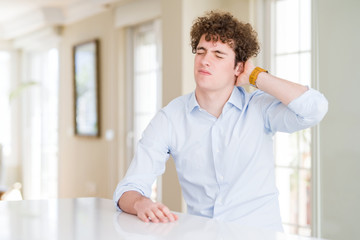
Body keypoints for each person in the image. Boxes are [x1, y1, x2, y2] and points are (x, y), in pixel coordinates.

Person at [113, 10, 328, 231]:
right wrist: (141, 202)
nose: (205, 60)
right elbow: (128, 189)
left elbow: (314, 109)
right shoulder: (170, 119)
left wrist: (255, 76)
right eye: (201, 51)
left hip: (260, 234)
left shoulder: (258, 107)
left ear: (238, 67)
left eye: (218, 54)